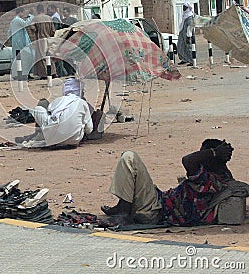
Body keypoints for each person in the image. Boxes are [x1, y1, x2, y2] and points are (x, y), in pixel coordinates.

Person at [100, 139, 242, 226]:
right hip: (157, 204)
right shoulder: (221, 177)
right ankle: (122, 206)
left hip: (156, 211)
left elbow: (188, 160)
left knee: (129, 158)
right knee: (133, 173)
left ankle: (124, 213)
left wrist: (215, 152)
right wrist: (217, 153)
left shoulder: (209, 179)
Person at [22, 78, 93, 148]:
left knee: (40, 107)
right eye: (82, 91)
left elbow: (50, 111)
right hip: (74, 140)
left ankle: (40, 136)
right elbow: (89, 129)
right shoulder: (83, 103)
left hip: (52, 139)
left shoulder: (59, 100)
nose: (83, 93)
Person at [31, 4, 57, 79]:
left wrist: (37, 31)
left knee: (42, 58)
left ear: (37, 10)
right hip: (49, 39)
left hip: (41, 40)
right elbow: (53, 30)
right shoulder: (49, 18)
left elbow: (32, 28)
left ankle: (46, 74)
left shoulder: (36, 19)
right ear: (43, 10)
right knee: (50, 56)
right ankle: (53, 72)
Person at [8, 7, 34, 79]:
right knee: (23, 59)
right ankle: (22, 75)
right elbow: (26, 24)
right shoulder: (17, 20)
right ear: (20, 12)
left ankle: (22, 74)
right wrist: (31, 16)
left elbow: (9, 32)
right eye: (23, 12)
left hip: (17, 42)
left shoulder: (13, 21)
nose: (23, 14)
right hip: (20, 43)